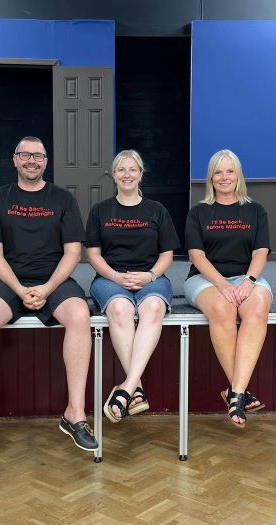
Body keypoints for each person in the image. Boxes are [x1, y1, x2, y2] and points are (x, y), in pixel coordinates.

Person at [0, 136, 98, 457]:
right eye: (25, 155)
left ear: (46, 162)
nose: (32, 160)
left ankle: (75, 413)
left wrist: (47, 288)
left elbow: (73, 253)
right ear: (15, 159)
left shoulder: (63, 198)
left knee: (79, 315)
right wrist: (20, 290)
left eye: (38, 156)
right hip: (10, 280)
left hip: (54, 280)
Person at [86, 150, 180, 422]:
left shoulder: (157, 210)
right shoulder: (100, 210)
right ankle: (135, 388)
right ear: (114, 175)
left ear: (141, 174)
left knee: (153, 307)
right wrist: (115, 277)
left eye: (132, 169)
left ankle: (127, 388)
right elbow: (93, 254)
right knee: (120, 308)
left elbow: (167, 255)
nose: (127, 175)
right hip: (109, 278)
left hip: (151, 277)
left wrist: (150, 276)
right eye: (121, 170)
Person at [184, 149, 272, 428]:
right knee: (223, 309)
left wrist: (249, 281)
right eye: (218, 172)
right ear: (211, 177)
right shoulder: (198, 212)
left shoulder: (255, 210)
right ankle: (241, 393)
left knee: (257, 307)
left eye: (230, 171)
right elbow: (197, 256)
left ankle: (235, 393)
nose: (224, 177)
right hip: (205, 278)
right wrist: (222, 284)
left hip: (245, 276)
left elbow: (260, 252)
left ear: (238, 175)